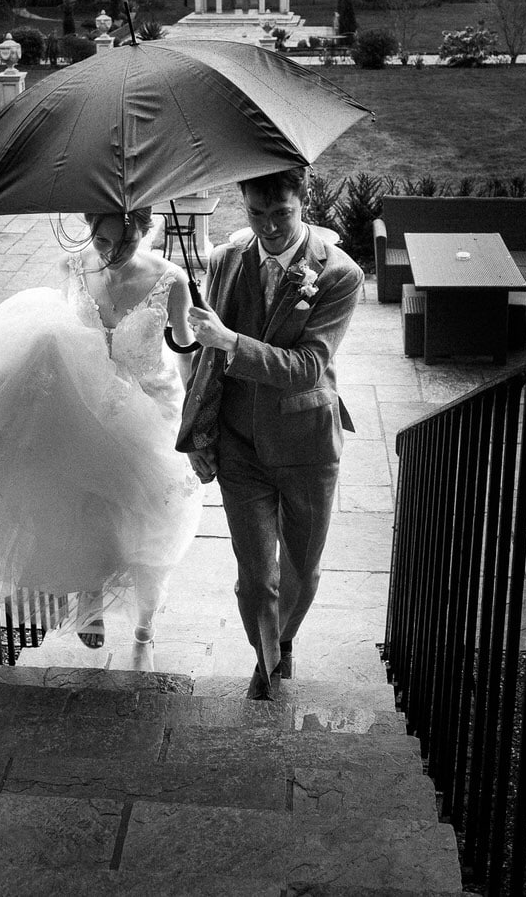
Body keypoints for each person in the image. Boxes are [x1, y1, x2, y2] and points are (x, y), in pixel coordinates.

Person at [0, 209, 203, 649]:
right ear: (90, 229)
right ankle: (90, 591)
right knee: (84, 504)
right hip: (83, 403)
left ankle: (147, 608)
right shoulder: (72, 266)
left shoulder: (172, 280)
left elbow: (185, 355)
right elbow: (56, 333)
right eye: (102, 242)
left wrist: (196, 417)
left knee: (146, 512)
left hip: (148, 408)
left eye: (125, 243)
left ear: (144, 230)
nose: (112, 254)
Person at [177, 166, 362, 699]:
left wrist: (231, 340)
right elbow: (209, 359)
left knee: (299, 571)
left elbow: (307, 366)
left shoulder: (338, 275)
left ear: (302, 203)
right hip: (239, 446)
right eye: (256, 214)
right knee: (257, 578)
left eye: (280, 213)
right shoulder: (228, 259)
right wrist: (198, 435)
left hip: (306, 444)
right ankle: (267, 658)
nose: (269, 227)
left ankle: (283, 643)